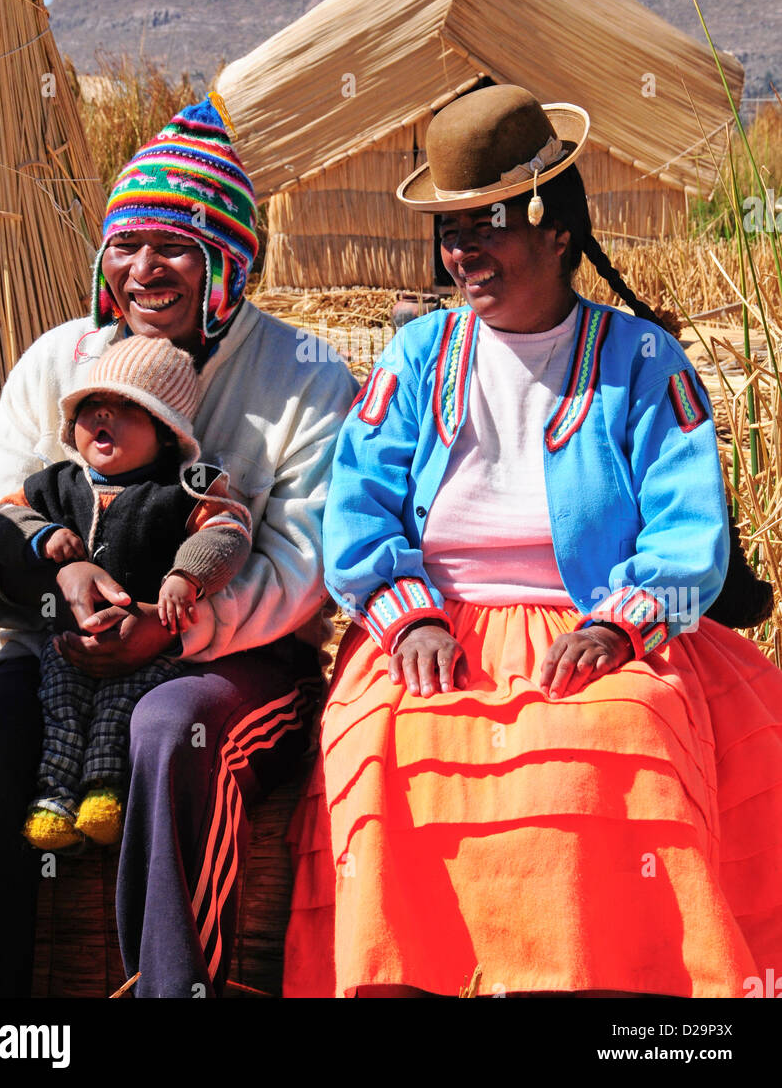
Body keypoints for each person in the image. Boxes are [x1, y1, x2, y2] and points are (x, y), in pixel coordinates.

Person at [284, 83, 782, 999]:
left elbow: (686, 533)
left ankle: (615, 1003)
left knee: (613, 737)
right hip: (430, 627)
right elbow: (356, 511)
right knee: (383, 746)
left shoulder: (639, 361)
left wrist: (616, 628)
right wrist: (407, 621)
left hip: (597, 623)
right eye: (450, 229)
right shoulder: (415, 357)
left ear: (556, 232)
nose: (462, 251)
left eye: (488, 224)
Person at [0, 94, 357, 998]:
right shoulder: (60, 359)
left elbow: (304, 562)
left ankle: (171, 990)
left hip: (235, 656)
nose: (144, 269)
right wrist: (59, 593)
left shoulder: (300, 377)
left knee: (172, 727)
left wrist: (177, 630)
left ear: (227, 262)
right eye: (125, 245)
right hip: (56, 650)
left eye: (175, 247)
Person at [0, 336, 252, 850]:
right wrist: (42, 540)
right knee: (60, 712)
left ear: (166, 431)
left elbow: (229, 531)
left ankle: (103, 795)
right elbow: (4, 522)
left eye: (130, 408)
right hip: (66, 647)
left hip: (146, 650)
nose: (105, 414)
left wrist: (186, 576)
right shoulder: (53, 486)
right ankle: (54, 800)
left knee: (117, 714)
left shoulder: (184, 488)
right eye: (92, 407)